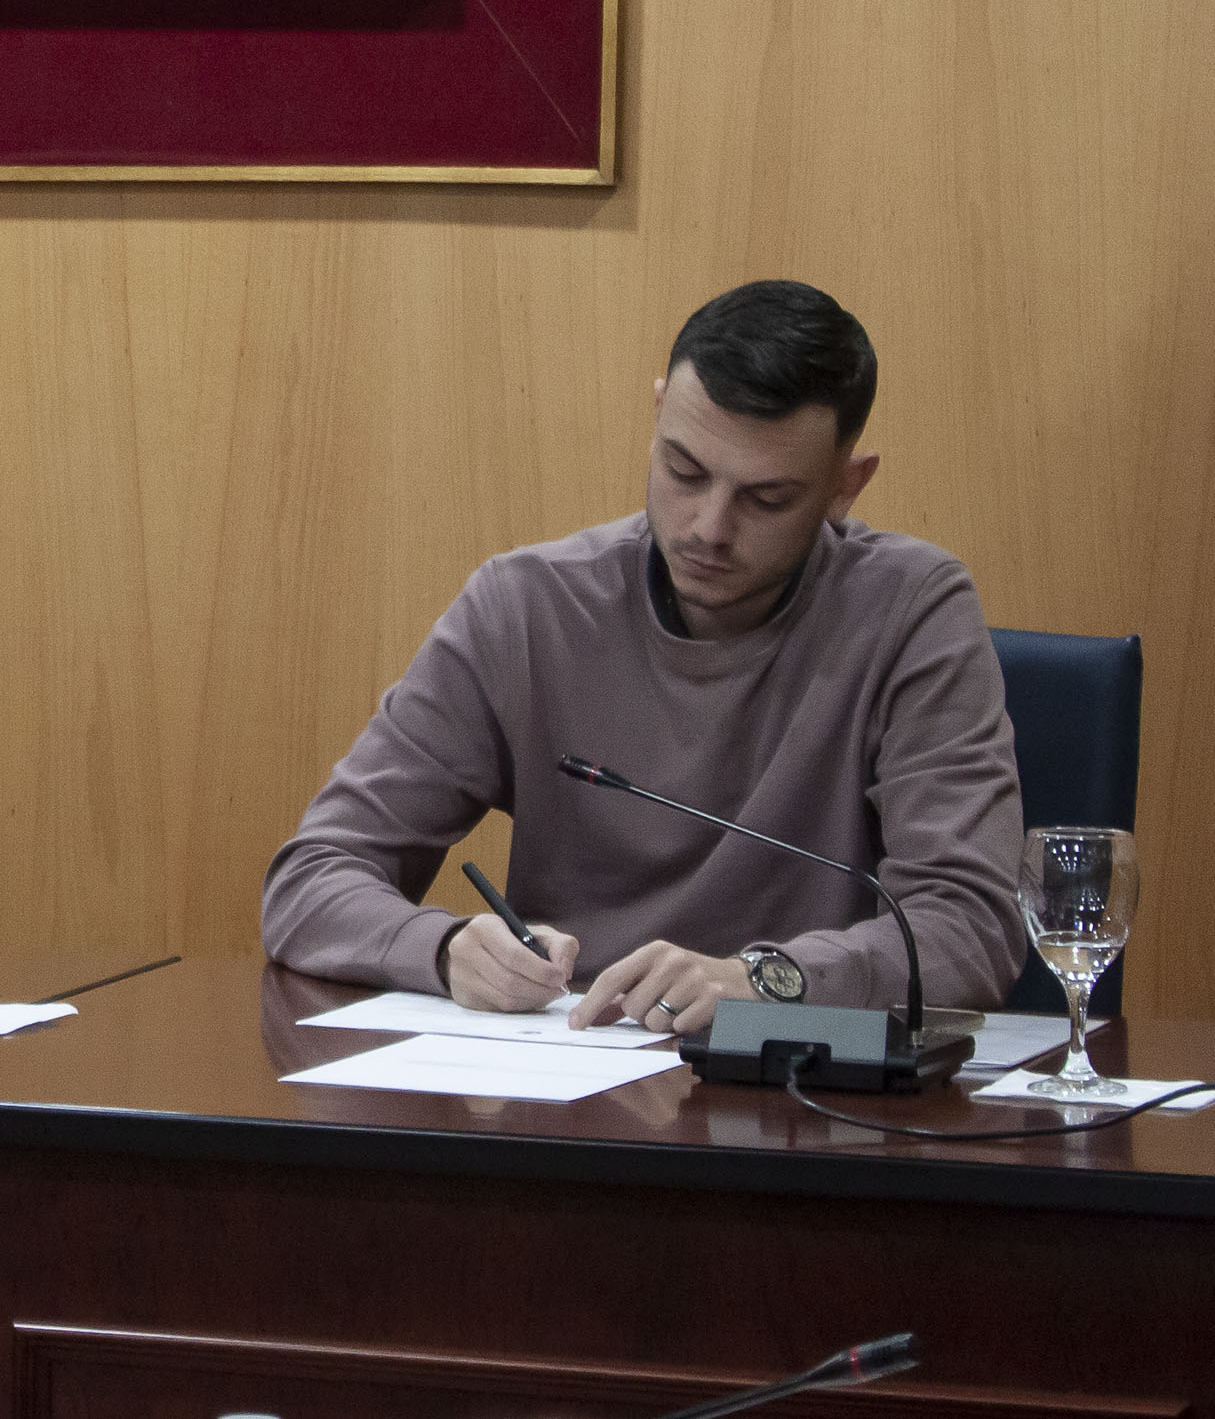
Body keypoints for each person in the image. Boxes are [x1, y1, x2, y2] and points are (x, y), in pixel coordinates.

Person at [262, 281, 1028, 1032]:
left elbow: (969, 928)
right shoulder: (526, 607)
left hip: (794, 1085)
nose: (708, 528)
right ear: (657, 414)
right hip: (567, 1065)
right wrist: (443, 948)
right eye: (684, 472)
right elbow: (310, 881)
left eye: (765, 499)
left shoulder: (909, 611)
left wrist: (765, 981)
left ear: (843, 486)